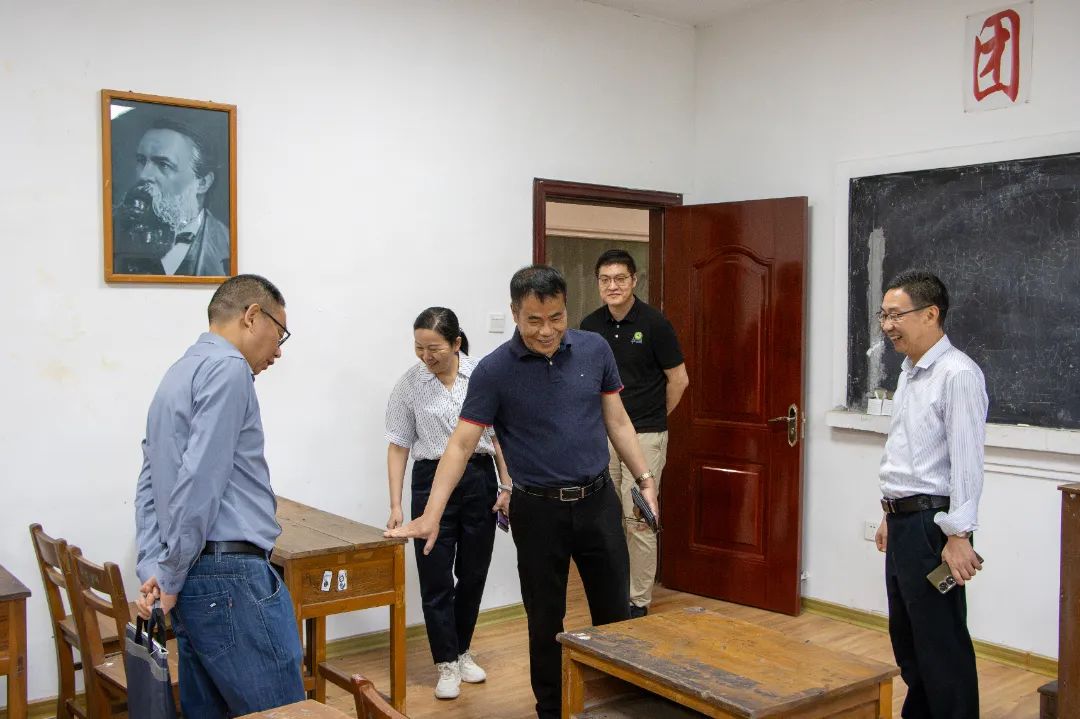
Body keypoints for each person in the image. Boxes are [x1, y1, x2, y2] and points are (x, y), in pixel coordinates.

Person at [388, 265, 660, 719]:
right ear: (515, 313)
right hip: (537, 512)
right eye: (534, 320)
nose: (547, 330)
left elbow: (617, 421)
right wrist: (431, 513)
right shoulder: (494, 370)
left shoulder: (594, 350)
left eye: (556, 318)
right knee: (545, 620)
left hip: (597, 503)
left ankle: (622, 705)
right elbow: (461, 445)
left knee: (616, 617)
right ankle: (551, 710)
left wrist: (645, 481)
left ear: (566, 309)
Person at [133, 274, 304, 717]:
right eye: (280, 333)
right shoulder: (229, 369)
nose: (279, 351)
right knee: (281, 711)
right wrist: (169, 575)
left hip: (193, 577)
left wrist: (157, 567)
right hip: (230, 578)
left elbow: (149, 482)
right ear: (252, 316)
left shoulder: (177, 373)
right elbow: (200, 482)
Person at [873, 269, 985, 718]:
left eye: (896, 315)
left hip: (933, 527)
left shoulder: (957, 374)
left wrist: (959, 535)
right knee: (908, 640)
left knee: (941, 644)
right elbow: (908, 455)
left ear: (930, 314)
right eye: (883, 315)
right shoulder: (910, 373)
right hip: (905, 521)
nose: (887, 326)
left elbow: (966, 461)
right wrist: (889, 513)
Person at [385, 307, 512, 700]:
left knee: (473, 572)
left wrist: (507, 485)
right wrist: (395, 504)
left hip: (478, 478)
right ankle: (445, 662)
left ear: (456, 343)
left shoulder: (483, 375)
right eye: (419, 348)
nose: (426, 356)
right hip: (430, 480)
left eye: (434, 348)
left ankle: (462, 650)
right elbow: (398, 445)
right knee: (435, 574)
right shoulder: (409, 385)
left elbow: (499, 437)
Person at [580, 249, 688, 618]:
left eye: (620, 279)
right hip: (603, 438)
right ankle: (614, 591)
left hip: (645, 436)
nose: (612, 286)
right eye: (605, 280)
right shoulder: (589, 326)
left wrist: (654, 417)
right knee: (607, 519)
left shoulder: (655, 324)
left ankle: (637, 600)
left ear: (634, 281)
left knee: (638, 519)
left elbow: (679, 380)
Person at [113, 118, 230, 276]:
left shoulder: (226, 246)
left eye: (163, 164)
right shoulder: (115, 233)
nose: (143, 175)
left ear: (203, 182)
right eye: (141, 161)